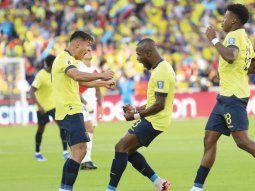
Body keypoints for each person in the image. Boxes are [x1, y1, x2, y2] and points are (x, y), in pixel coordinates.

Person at [190, 4, 255, 191]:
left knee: (242, 142)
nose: (222, 20)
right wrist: (227, 73)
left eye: (225, 17)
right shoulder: (245, 39)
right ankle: (197, 187)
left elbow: (231, 56)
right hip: (224, 97)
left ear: (234, 20)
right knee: (209, 140)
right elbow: (252, 66)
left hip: (233, 97)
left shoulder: (234, 36)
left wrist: (213, 40)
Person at [105, 38, 175, 191]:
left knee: (121, 148)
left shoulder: (162, 71)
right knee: (128, 152)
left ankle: (110, 189)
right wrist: (135, 109)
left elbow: (159, 105)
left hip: (155, 120)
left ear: (149, 53)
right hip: (154, 118)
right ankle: (159, 183)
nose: (137, 59)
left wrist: (135, 116)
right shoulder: (159, 69)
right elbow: (153, 102)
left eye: (139, 54)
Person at [52, 30, 115, 191]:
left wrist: (102, 83)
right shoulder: (63, 59)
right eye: (87, 47)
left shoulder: (70, 60)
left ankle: (65, 188)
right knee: (80, 150)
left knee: (78, 151)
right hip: (70, 110)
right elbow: (78, 76)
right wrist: (102, 75)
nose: (88, 51)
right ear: (77, 44)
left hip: (73, 110)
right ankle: (65, 188)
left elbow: (81, 83)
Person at [30, 54, 70, 161]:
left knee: (63, 127)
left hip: (54, 106)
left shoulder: (55, 73)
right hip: (42, 108)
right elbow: (31, 91)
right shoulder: (40, 76)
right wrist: (39, 106)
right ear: (49, 64)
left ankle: (65, 152)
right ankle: (37, 153)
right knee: (41, 129)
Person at [78, 51, 103, 170]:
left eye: (90, 50)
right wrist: (85, 103)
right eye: (86, 51)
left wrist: (100, 106)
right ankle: (85, 160)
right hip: (81, 103)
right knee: (88, 128)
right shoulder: (78, 68)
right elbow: (75, 89)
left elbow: (98, 90)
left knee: (90, 132)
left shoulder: (95, 70)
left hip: (92, 105)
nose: (88, 52)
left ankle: (86, 159)